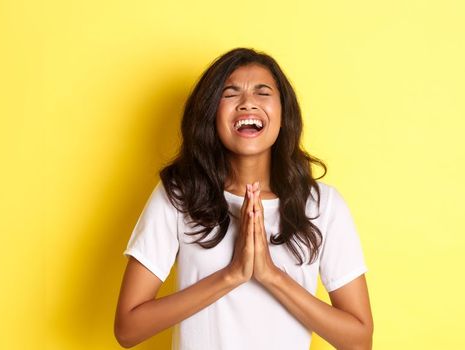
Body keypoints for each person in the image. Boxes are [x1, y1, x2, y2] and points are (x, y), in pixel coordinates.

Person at [114, 47, 373, 349]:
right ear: (211, 113)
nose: (248, 102)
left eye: (263, 93)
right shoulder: (179, 196)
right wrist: (232, 275)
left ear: (283, 114)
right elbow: (128, 329)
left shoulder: (322, 206)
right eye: (230, 94)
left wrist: (271, 275)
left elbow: (358, 341)